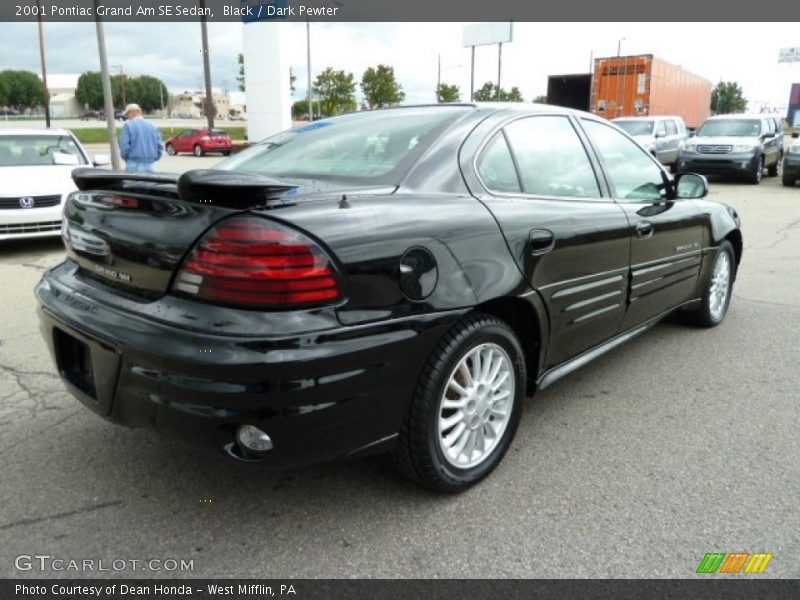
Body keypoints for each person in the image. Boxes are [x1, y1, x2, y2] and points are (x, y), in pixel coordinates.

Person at [118, 103, 163, 172]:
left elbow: (124, 146)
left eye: (127, 114)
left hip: (133, 163)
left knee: (132, 183)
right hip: (150, 164)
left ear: (132, 113)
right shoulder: (153, 126)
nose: (127, 117)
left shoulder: (128, 125)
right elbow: (160, 146)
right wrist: (155, 158)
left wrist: (126, 158)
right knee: (149, 182)